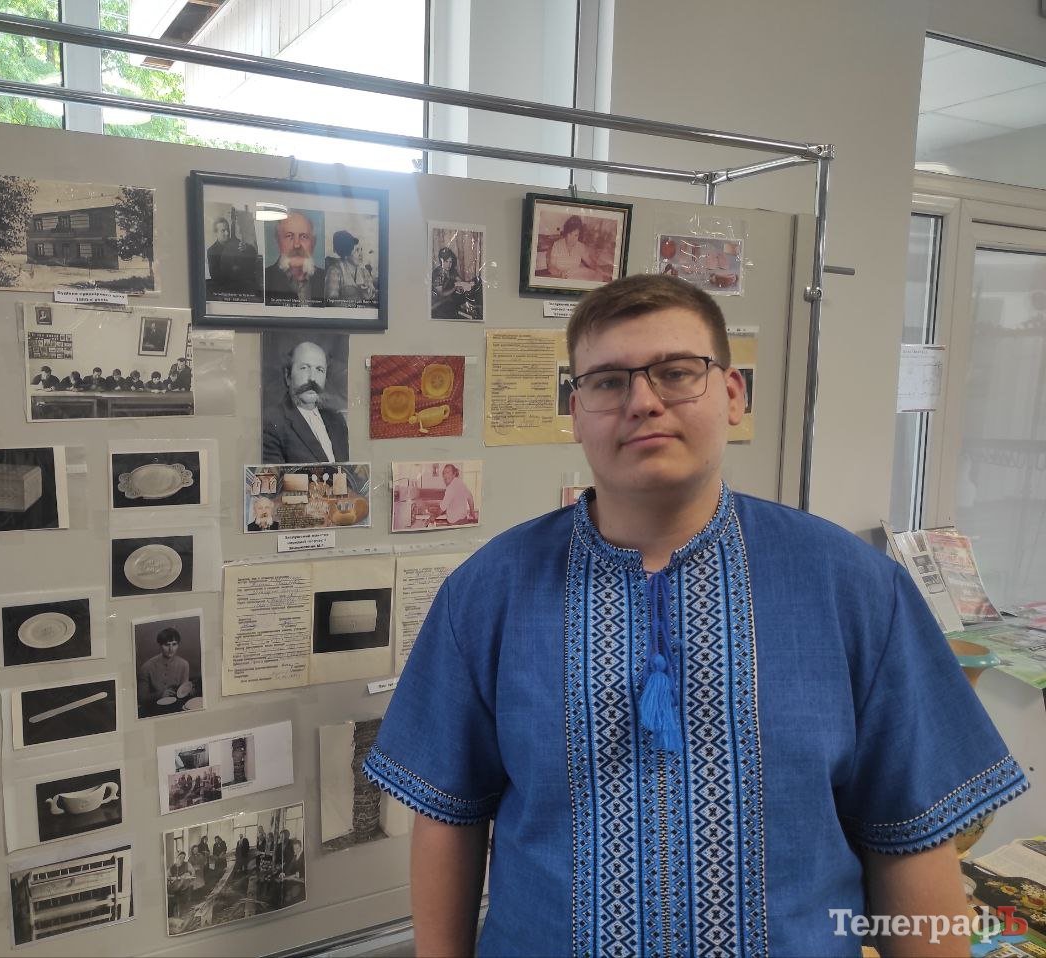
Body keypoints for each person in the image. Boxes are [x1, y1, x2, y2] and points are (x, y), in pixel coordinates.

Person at [362, 273, 1028, 956]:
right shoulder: (488, 592)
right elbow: (448, 815)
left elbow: (912, 833)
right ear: (577, 411)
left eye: (677, 373)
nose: (642, 402)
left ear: (734, 395)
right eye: (608, 381)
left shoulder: (854, 588)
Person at [261, 340, 349, 464]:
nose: (312, 378)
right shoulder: (272, 422)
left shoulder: (337, 421)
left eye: (319, 370)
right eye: (304, 368)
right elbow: (276, 475)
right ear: (288, 376)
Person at [263, 211, 324, 305]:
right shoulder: (265, 279)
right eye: (289, 236)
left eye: (304, 236)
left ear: (313, 242)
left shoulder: (324, 278)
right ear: (278, 241)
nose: (296, 245)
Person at [135, 627, 191, 717]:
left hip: (176, 708)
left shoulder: (184, 664)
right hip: (153, 710)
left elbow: (183, 691)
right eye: (167, 645)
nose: (171, 649)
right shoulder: (147, 667)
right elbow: (141, 698)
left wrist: (188, 691)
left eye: (174, 644)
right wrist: (160, 694)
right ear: (160, 645)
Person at [206, 214, 261, 298]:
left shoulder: (236, 243)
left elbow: (253, 253)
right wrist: (235, 270)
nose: (227, 233)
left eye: (228, 230)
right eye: (223, 231)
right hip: (225, 290)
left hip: (242, 286)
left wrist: (246, 249)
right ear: (216, 233)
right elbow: (215, 276)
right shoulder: (212, 251)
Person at [324, 229, 376, 306]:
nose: (361, 254)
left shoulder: (365, 272)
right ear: (346, 252)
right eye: (357, 250)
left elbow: (373, 297)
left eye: (361, 250)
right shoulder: (334, 271)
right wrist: (357, 305)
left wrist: (368, 294)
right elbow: (331, 301)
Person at [546, 214, 602, 280]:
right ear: (566, 233)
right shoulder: (557, 245)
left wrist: (599, 270)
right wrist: (560, 273)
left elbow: (590, 262)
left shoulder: (580, 246)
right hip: (559, 278)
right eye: (570, 234)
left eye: (576, 235)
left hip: (575, 277)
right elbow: (551, 267)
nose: (572, 239)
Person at [430, 246, 471, 319]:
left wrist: (462, 285)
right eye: (446, 261)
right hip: (439, 304)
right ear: (441, 260)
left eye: (450, 262)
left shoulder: (451, 270)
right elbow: (441, 294)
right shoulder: (437, 274)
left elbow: (460, 281)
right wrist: (455, 288)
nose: (449, 265)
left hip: (450, 299)